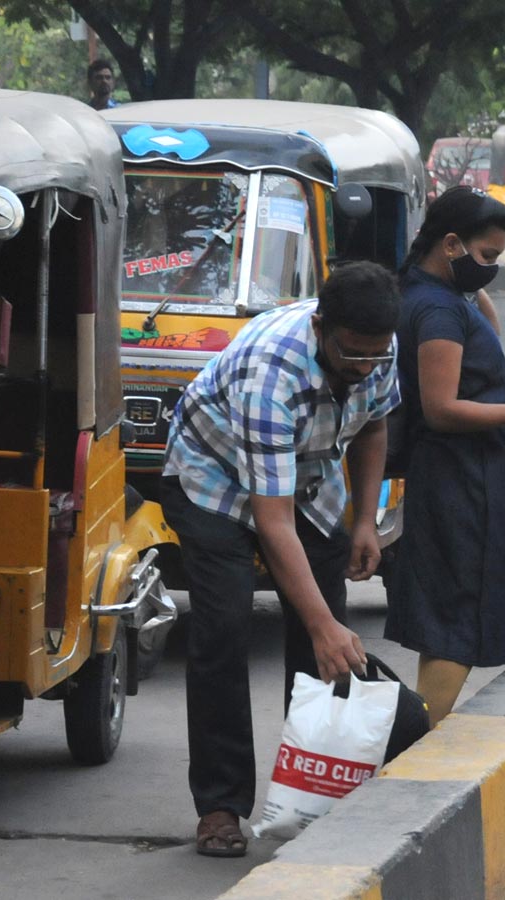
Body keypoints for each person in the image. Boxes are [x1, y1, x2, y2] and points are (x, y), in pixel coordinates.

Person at [160, 261, 400, 857]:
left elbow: (373, 426)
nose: (364, 366)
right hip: (213, 481)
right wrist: (320, 625)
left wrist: (365, 520)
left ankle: (312, 792)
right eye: (353, 355)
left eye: (375, 356)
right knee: (224, 626)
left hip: (309, 481)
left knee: (328, 635)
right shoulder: (272, 372)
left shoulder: (377, 346)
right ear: (321, 328)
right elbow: (272, 522)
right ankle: (220, 805)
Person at [384, 186, 505, 727]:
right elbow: (442, 408)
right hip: (458, 482)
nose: (491, 269)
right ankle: (413, 747)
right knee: (457, 624)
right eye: (487, 257)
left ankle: (420, 737)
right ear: (451, 244)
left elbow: (484, 340)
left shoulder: (439, 296)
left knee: (451, 618)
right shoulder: (438, 312)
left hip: (467, 479)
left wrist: (474, 284)